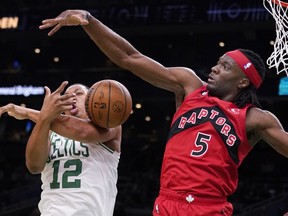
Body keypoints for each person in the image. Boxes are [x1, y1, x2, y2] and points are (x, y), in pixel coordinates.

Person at [38, 10, 288, 216]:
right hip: (167, 203)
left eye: (225, 66)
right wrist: (89, 21)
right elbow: (129, 57)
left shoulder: (255, 118)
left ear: (242, 82)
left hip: (209, 208)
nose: (214, 67)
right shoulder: (189, 85)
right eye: (218, 61)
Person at [0, 81, 122, 216]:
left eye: (79, 93)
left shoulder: (110, 125)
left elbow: (83, 132)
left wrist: (31, 113)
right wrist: (44, 119)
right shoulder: (48, 130)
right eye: (66, 96)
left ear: (93, 101)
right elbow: (34, 166)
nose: (72, 97)